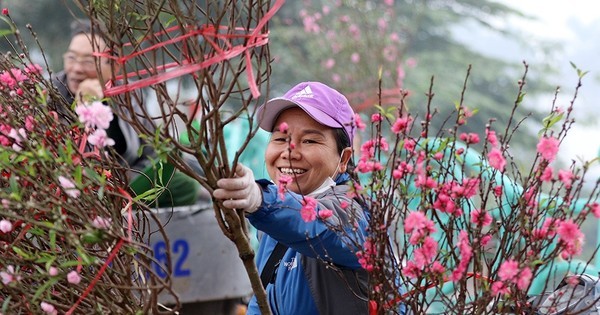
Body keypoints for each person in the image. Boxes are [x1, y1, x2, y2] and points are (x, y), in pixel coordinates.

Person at [213, 82, 370, 314]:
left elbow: (318, 224)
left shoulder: (352, 212)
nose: (289, 152)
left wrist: (260, 200)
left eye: (309, 141)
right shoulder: (271, 225)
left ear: (344, 159)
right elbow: (262, 300)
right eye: (279, 139)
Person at [51, 19, 199, 207]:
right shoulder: (50, 94)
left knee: (185, 187)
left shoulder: (129, 96)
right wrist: (85, 108)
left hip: (126, 182)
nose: (77, 68)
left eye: (89, 61)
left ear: (115, 67)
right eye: (71, 58)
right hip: (77, 188)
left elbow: (151, 149)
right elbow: (71, 158)